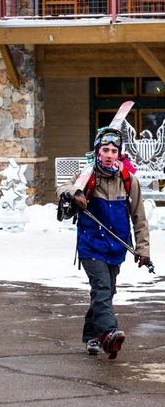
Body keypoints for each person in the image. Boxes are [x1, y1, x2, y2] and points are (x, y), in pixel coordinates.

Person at [56, 126, 150, 360]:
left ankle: (91, 335)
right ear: (98, 151)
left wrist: (143, 250)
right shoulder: (88, 175)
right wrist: (77, 193)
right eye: (105, 149)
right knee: (102, 288)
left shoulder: (128, 180)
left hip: (116, 247)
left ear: (120, 154)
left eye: (114, 150)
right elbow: (61, 187)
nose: (109, 154)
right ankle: (109, 334)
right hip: (91, 244)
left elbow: (139, 217)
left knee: (106, 292)